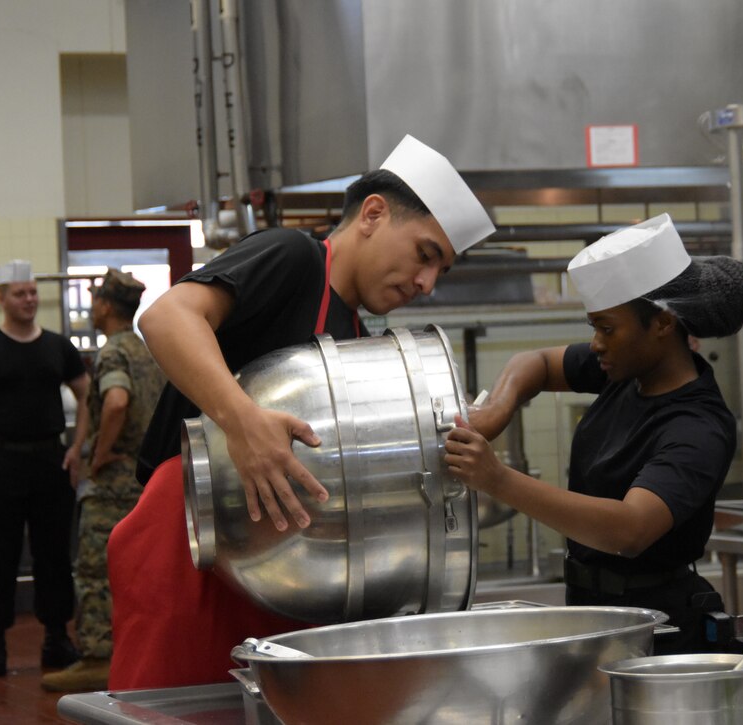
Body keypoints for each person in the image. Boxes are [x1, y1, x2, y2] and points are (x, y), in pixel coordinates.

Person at [107, 134, 495, 689]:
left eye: (441, 271)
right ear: (374, 214)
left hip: (281, 574)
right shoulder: (294, 260)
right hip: (192, 551)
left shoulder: (358, 338)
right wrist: (242, 423)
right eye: (425, 254)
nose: (426, 283)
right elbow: (168, 317)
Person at [444, 214, 743, 653]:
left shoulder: (698, 426)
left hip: (658, 628)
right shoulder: (625, 370)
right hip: (594, 606)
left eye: (606, 328)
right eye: (594, 326)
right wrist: (497, 410)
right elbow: (534, 362)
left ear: (663, 324)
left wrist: (497, 479)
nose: (595, 343)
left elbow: (629, 530)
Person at [0, 259, 88, 677]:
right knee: (0, 555)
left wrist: (78, 448)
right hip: (1, 462)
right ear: (1, 298)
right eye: (20, 293)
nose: (29, 299)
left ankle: (55, 638)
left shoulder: (57, 347)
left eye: (32, 292)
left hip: (50, 460)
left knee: (53, 554)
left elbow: (87, 396)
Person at [41, 269, 166, 692]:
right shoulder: (148, 349)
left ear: (106, 307)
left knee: (96, 571)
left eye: (96, 300)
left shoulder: (114, 352)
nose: (93, 307)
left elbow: (115, 402)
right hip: (147, 480)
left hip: (113, 482)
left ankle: (97, 656)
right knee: (141, 570)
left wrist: (99, 454)